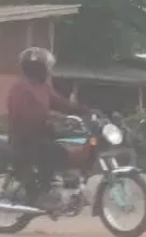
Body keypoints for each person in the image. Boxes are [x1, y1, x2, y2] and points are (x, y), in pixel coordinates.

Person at [6, 47, 88, 210]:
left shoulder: (43, 87)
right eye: (47, 67)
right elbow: (21, 115)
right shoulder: (20, 88)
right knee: (53, 152)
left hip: (41, 134)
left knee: (69, 147)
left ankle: (63, 186)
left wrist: (83, 110)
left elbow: (60, 102)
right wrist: (49, 118)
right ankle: (42, 193)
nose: (49, 71)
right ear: (37, 68)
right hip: (24, 138)